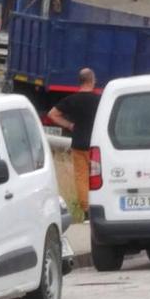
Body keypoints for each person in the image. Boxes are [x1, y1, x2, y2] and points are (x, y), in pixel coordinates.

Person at [46, 67, 100, 218]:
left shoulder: (72, 100)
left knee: (81, 178)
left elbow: (52, 114)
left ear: (80, 81)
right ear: (92, 80)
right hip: (96, 146)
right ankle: (99, 206)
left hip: (79, 144)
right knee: (98, 177)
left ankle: (86, 211)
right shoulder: (99, 100)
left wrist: (69, 125)